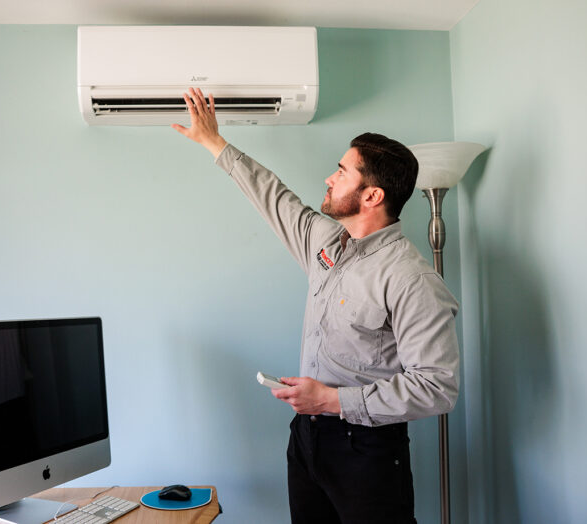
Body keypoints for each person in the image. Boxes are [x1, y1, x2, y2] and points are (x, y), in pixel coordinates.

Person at [173, 87, 460, 524]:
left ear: (372, 196)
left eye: (341, 172)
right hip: (306, 440)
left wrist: (330, 400)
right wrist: (215, 142)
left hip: (367, 451)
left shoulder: (412, 279)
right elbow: (273, 196)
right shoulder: (325, 242)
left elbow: (437, 387)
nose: (329, 178)